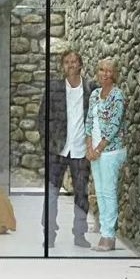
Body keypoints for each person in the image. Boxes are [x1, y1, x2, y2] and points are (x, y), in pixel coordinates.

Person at [38, 49, 93, 249]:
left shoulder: (89, 89)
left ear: (80, 65)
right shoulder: (53, 88)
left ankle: (80, 235)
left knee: (81, 194)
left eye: (74, 61)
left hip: (80, 150)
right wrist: (48, 143)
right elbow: (41, 118)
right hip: (57, 150)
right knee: (51, 194)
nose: (71, 65)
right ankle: (49, 235)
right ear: (63, 66)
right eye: (67, 62)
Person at [85, 58, 126, 252]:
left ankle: (109, 236)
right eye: (101, 69)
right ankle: (104, 231)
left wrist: (98, 148)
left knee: (109, 192)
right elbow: (89, 122)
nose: (104, 73)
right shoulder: (94, 94)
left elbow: (113, 127)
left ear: (114, 74)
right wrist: (88, 148)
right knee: (100, 191)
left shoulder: (117, 95)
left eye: (109, 70)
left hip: (110, 151)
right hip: (95, 151)